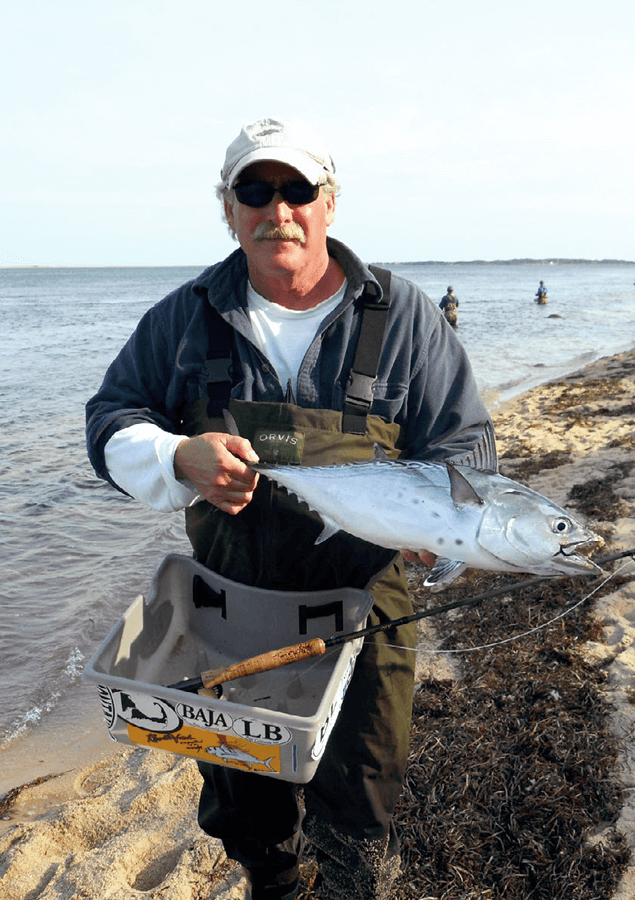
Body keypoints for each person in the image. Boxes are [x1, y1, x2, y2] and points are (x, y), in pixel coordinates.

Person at [85, 117, 496, 900]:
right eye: (255, 190)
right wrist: (177, 456)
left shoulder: (403, 315)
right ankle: (273, 884)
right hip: (228, 611)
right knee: (246, 810)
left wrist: (433, 544)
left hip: (367, 611)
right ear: (230, 210)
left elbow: (465, 450)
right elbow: (109, 418)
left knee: (363, 802)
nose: (279, 209)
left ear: (329, 204)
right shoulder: (183, 317)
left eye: (298, 189)